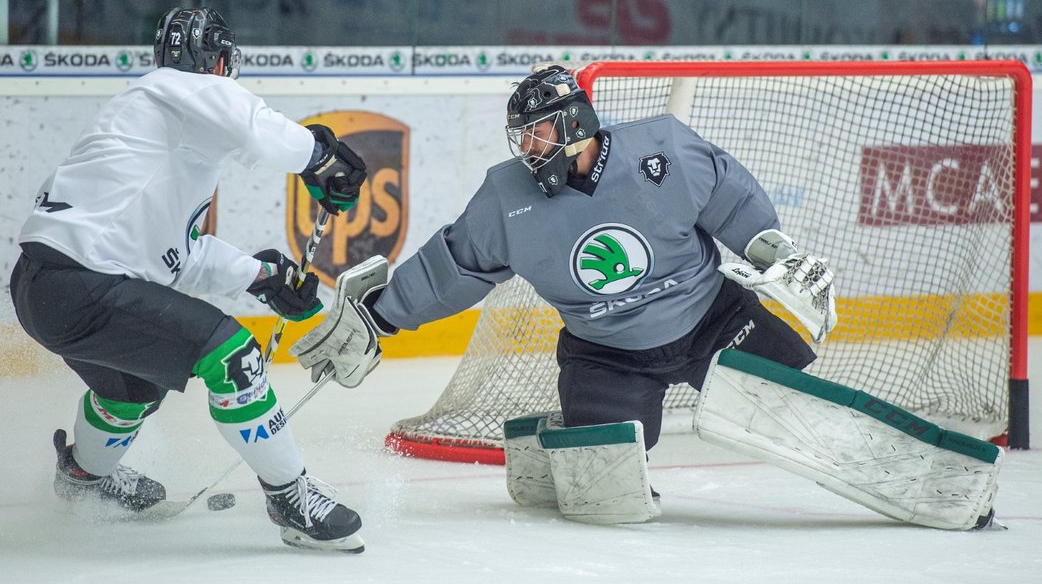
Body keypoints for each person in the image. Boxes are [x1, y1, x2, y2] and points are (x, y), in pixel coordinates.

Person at [317, 65, 997, 531]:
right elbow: (453, 267)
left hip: (713, 321)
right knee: (605, 496)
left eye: (542, 131)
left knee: (806, 415)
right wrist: (379, 317)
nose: (530, 149)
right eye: (521, 137)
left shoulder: (663, 150)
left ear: (578, 122)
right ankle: (546, 448)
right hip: (605, 354)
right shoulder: (506, 198)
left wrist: (775, 251)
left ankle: (946, 487)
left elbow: (733, 203)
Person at [9, 7, 368, 553]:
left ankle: (84, 477)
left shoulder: (156, 133)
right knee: (233, 357)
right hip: (83, 285)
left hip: (43, 288)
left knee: (130, 391)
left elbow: (175, 256)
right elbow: (261, 132)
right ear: (218, 62)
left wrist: (261, 276)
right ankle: (291, 496)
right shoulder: (177, 89)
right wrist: (321, 156)